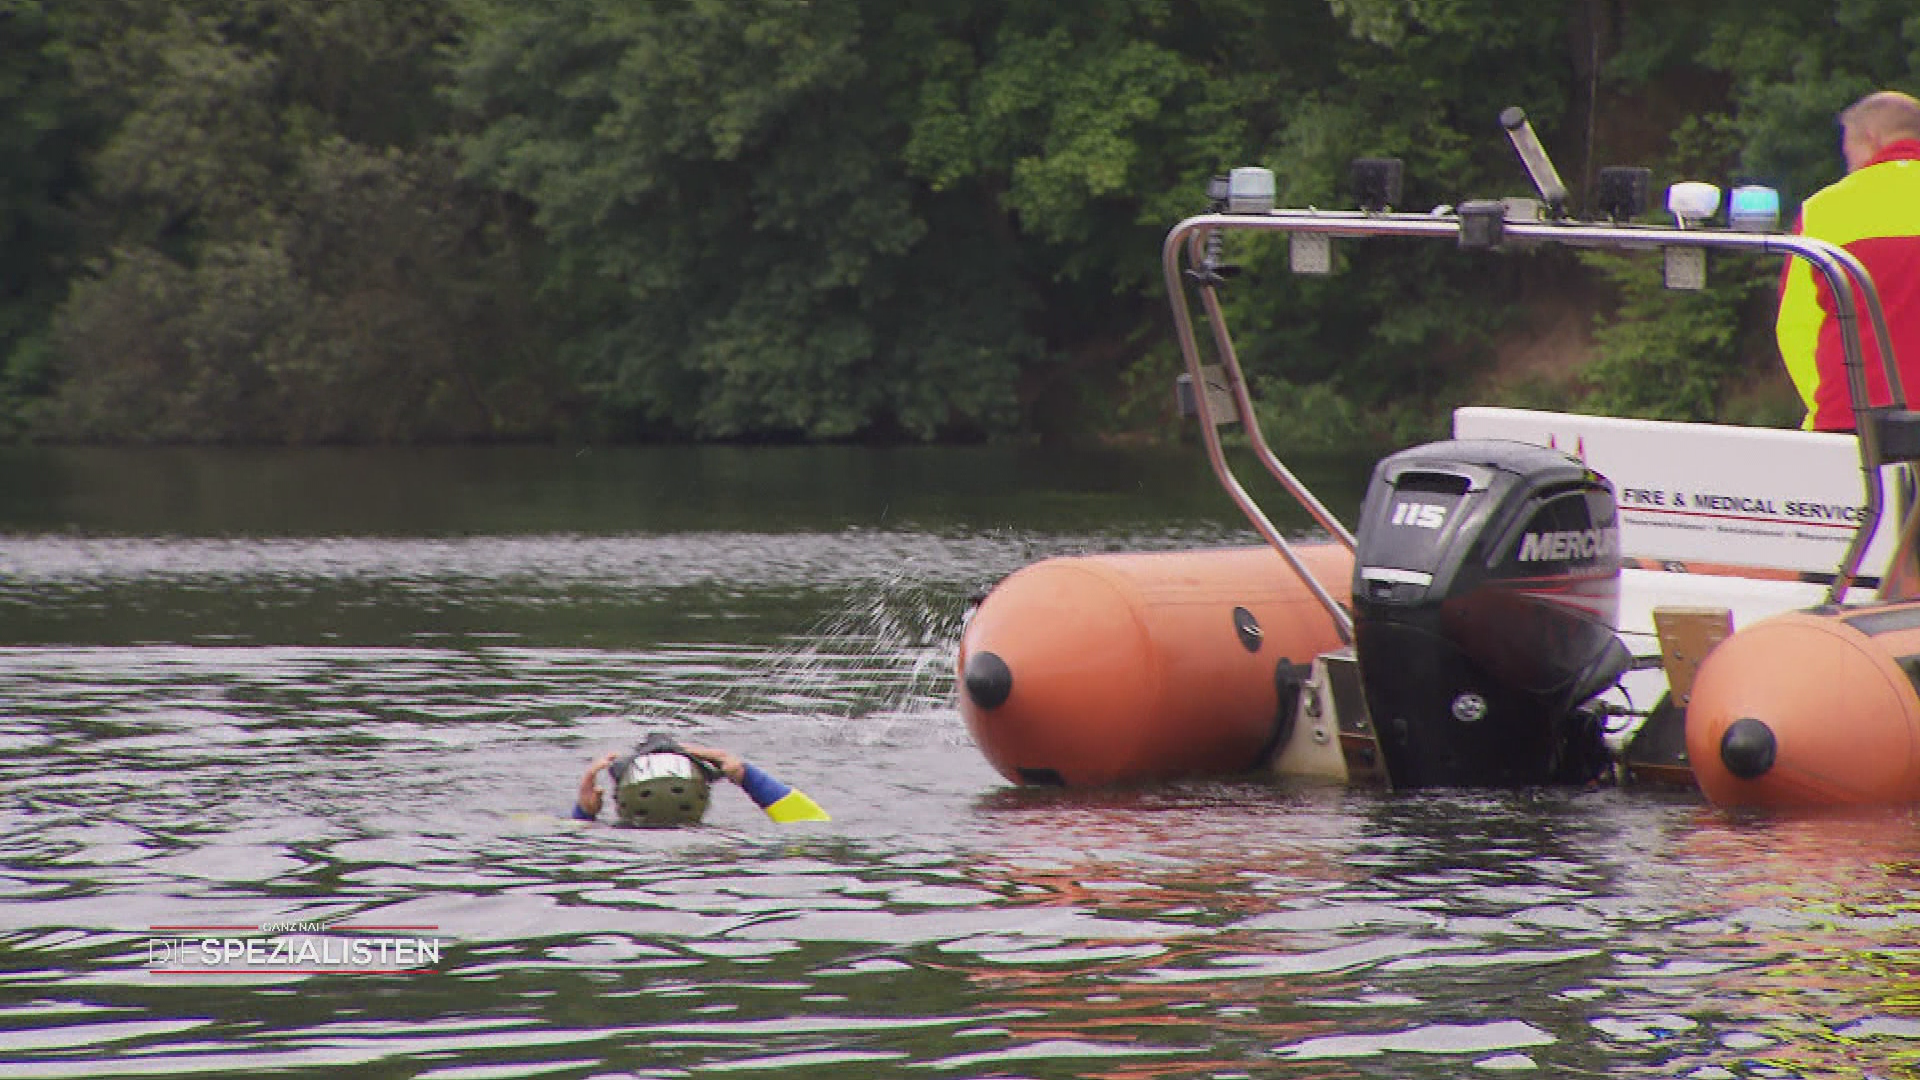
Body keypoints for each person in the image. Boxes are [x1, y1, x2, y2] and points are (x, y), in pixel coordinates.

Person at [1777, 89, 1920, 433]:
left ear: (1870, 140)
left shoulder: (1822, 210)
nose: (1850, 166)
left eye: (1848, 152)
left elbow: (1796, 327)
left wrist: (1827, 406)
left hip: (1853, 422)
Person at [572, 733, 829, 826]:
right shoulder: (724, 847)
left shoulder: (608, 845)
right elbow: (810, 823)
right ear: (701, 796)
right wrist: (746, 776)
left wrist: (583, 814)